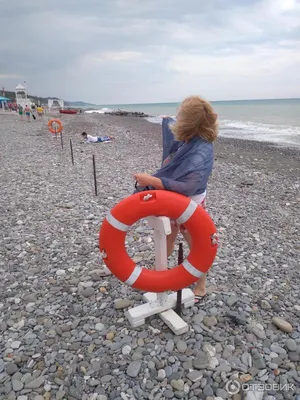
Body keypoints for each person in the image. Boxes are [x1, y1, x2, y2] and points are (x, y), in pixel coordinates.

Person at [134, 96, 218, 302]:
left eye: (181, 115)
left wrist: (151, 179)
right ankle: (158, 274)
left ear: (190, 122)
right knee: (167, 239)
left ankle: (201, 283)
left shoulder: (202, 150)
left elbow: (189, 186)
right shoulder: (189, 139)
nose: (178, 117)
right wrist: (165, 122)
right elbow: (172, 141)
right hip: (172, 201)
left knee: (198, 246)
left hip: (192, 205)